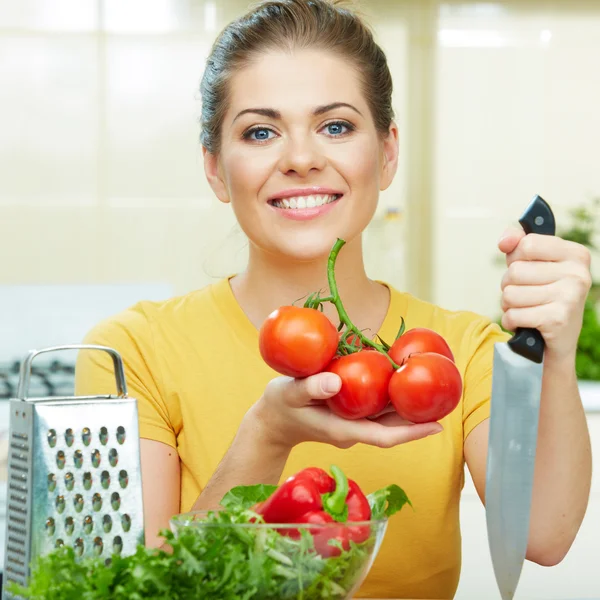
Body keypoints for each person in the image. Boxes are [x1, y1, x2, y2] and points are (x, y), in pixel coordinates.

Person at [75, 0, 593, 597]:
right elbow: (133, 591)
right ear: (216, 169)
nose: (300, 159)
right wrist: (267, 437)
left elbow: (545, 535)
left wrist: (556, 346)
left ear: (388, 152)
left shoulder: (457, 352)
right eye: (261, 131)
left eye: (337, 126)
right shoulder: (130, 350)